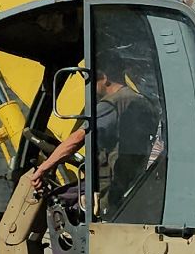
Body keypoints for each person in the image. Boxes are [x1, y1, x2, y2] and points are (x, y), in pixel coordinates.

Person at [28, 52, 161, 219]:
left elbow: (78, 138)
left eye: (89, 79)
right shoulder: (142, 101)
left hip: (110, 188)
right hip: (132, 184)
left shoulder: (112, 104)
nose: (88, 86)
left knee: (55, 204)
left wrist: (44, 167)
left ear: (104, 78)